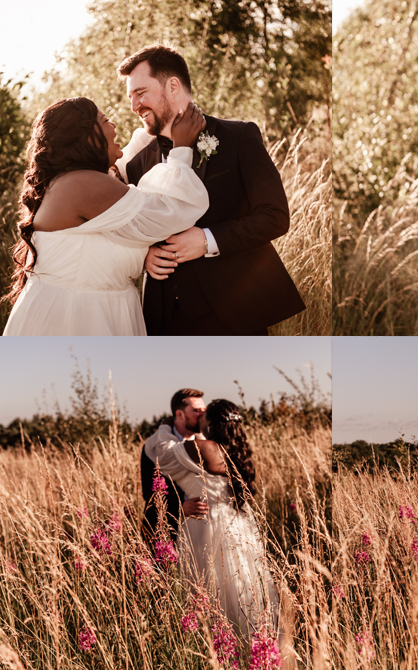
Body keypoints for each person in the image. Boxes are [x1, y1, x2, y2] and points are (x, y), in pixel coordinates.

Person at [116, 45, 305, 335]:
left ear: (173, 85)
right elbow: (135, 226)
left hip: (235, 314)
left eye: (141, 93)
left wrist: (208, 240)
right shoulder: (140, 162)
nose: (134, 106)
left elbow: (275, 216)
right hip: (163, 321)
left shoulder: (238, 136)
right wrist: (145, 255)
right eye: (130, 97)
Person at [2, 97, 209, 335]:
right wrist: (181, 149)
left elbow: (100, 247)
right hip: (76, 321)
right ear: (85, 136)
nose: (114, 126)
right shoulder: (84, 184)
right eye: (105, 121)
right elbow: (168, 213)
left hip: (88, 312)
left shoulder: (70, 181)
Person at [144, 399, 279, 641]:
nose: (199, 417)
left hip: (207, 526)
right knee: (242, 590)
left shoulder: (202, 447)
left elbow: (161, 454)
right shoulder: (238, 449)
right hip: (239, 526)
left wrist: (165, 427)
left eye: (203, 414)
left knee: (211, 593)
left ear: (211, 423)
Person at [140, 388, 210, 549]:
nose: (203, 415)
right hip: (165, 530)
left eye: (204, 410)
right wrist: (179, 507)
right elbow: (148, 492)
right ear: (180, 414)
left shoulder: (208, 444)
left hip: (204, 533)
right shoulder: (154, 448)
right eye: (197, 410)